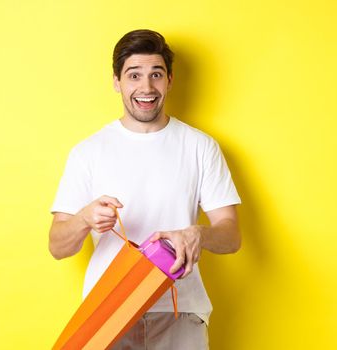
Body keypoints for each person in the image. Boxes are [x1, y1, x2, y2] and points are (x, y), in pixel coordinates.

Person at [48, 29, 241, 349]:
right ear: (116, 82)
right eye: (134, 75)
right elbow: (58, 246)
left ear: (170, 80)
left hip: (181, 311)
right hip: (108, 312)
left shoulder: (200, 146)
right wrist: (83, 218)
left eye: (156, 74)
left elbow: (231, 235)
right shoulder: (88, 152)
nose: (146, 87)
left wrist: (198, 234)